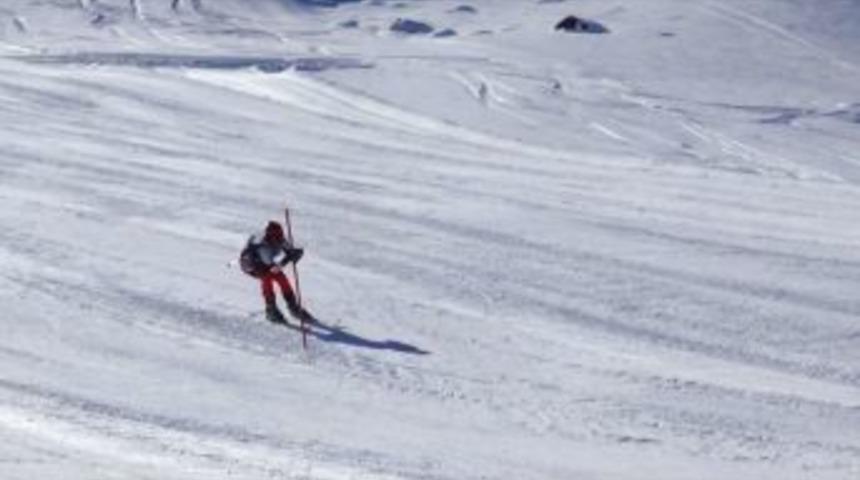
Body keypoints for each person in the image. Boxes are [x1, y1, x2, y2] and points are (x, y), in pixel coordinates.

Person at [240, 220, 310, 324]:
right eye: (275, 239)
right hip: (251, 264)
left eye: (279, 237)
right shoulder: (263, 245)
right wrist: (288, 259)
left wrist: (295, 253)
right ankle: (271, 309)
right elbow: (273, 267)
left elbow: (289, 250)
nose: (278, 241)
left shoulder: (279, 239)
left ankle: (293, 306)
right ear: (269, 237)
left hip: (264, 262)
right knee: (267, 277)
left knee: (282, 279)